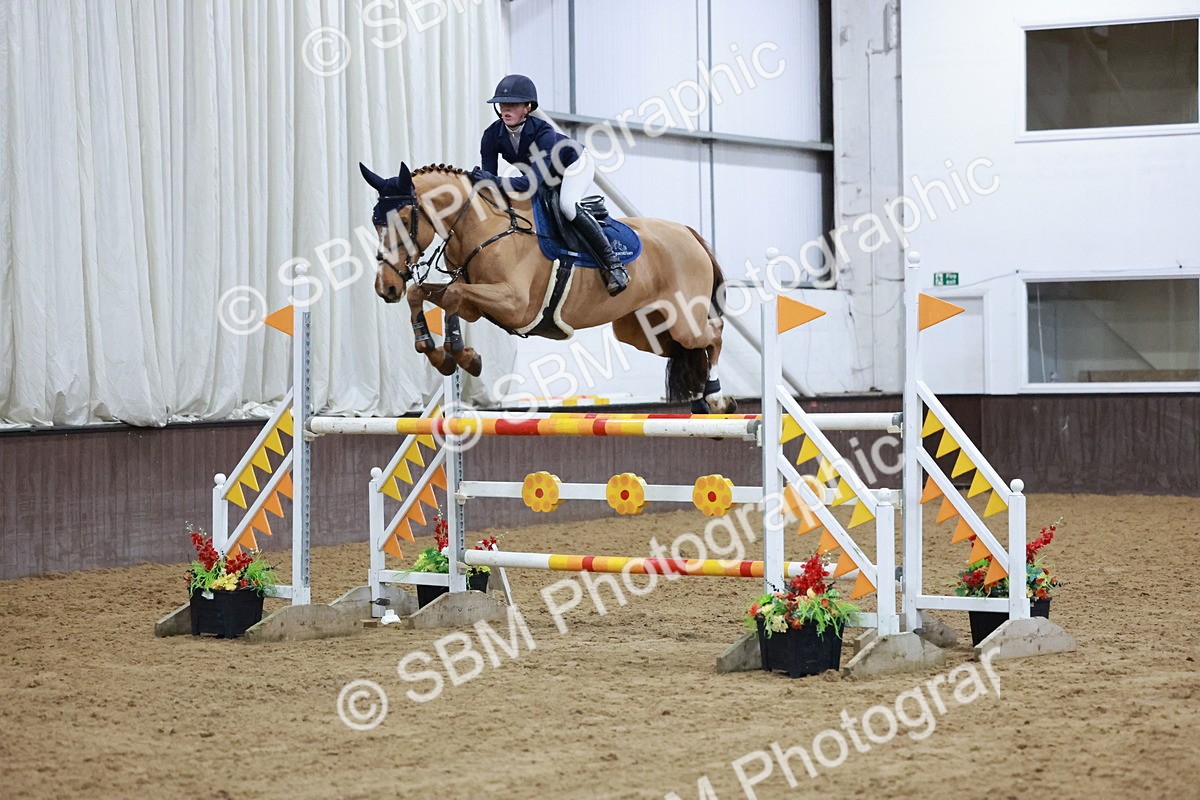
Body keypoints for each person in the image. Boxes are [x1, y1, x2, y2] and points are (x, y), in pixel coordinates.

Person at [472, 74, 629, 296]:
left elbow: (531, 183)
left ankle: (613, 265)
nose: (506, 109)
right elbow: (491, 182)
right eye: (503, 104)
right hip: (542, 174)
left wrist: (493, 181)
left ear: (527, 107)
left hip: (573, 166)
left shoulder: (543, 132)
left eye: (513, 105)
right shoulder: (491, 135)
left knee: (567, 205)